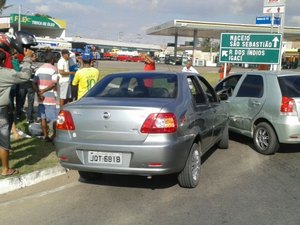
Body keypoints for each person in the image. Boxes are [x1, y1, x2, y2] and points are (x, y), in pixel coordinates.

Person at [0, 48, 34, 176]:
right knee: (3, 142)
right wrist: (27, 59)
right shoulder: (4, 73)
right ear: (3, 61)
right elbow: (25, 76)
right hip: (1, 112)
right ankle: (5, 169)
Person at [32, 52, 59, 142]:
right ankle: (54, 135)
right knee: (54, 118)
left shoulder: (39, 69)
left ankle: (45, 136)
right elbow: (54, 84)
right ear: (51, 60)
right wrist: (44, 91)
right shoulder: (54, 69)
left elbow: (33, 83)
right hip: (50, 97)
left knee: (43, 118)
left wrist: (39, 92)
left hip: (41, 98)